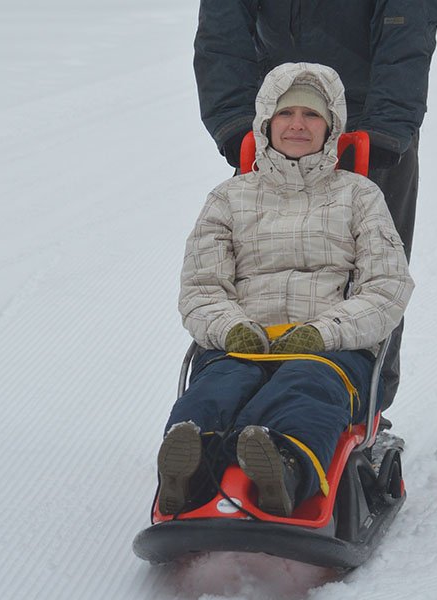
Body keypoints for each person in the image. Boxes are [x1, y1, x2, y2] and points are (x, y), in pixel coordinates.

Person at [157, 62, 414, 518]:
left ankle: (283, 466)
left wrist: (325, 333)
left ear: (331, 125)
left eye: (312, 115)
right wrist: (232, 328)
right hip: (244, 342)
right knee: (220, 384)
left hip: (325, 347)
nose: (298, 124)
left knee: (306, 385)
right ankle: (189, 464)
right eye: (286, 113)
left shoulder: (359, 196)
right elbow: (201, 286)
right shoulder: (229, 198)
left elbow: (387, 286)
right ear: (265, 123)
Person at [193, 0, 437, 409]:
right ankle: (236, 388)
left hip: (367, 122)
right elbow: (222, 28)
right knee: (259, 256)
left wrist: (387, 126)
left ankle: (361, 406)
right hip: (278, 120)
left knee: (372, 267)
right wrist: (236, 121)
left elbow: (407, 27)